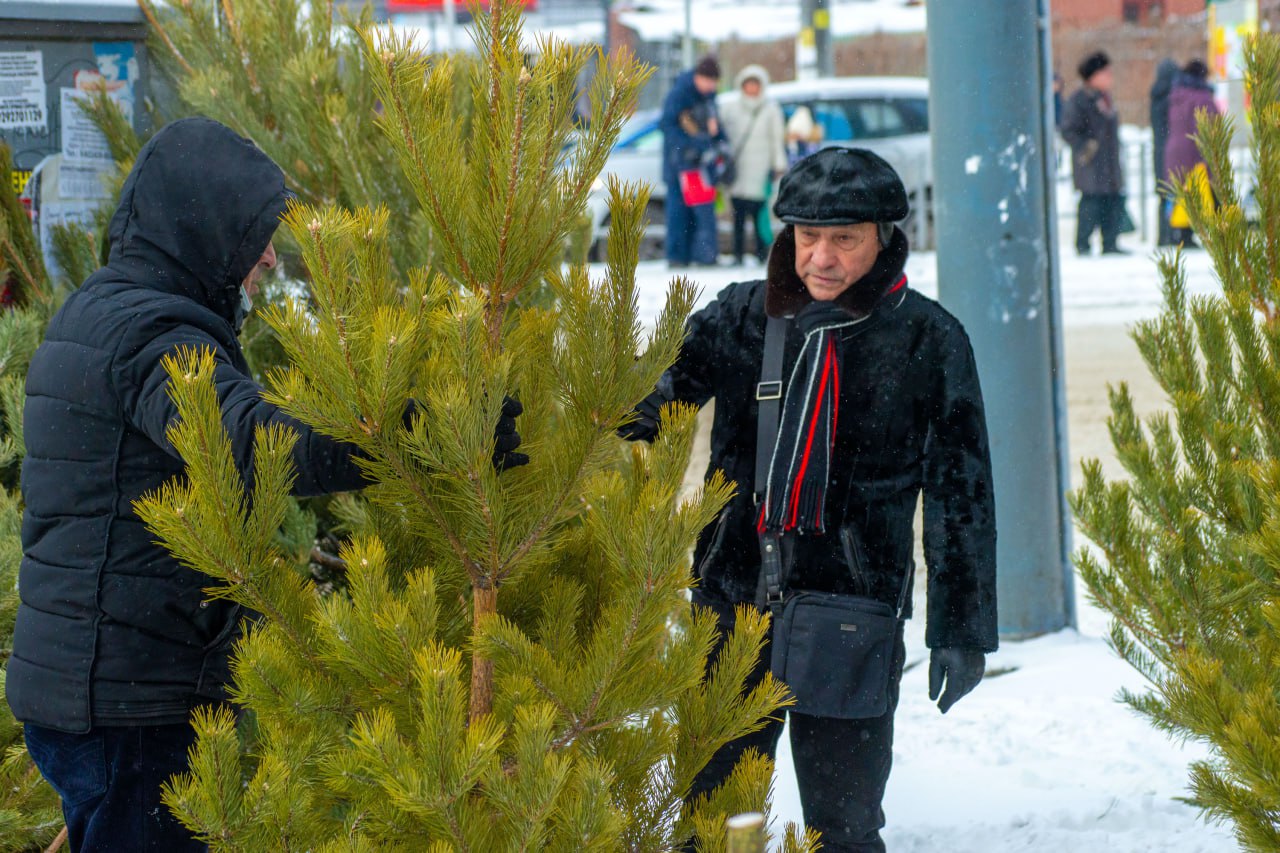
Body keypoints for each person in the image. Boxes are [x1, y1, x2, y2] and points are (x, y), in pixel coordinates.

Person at [7, 118, 525, 851]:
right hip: (126, 701)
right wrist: (432, 432)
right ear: (207, 232)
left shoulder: (101, 311)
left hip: (93, 688)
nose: (269, 260)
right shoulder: (156, 337)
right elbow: (257, 445)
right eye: (257, 241)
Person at [619, 147, 997, 851]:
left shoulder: (929, 339)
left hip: (851, 613)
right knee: (714, 823)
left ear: (883, 237)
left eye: (844, 239)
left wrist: (962, 629)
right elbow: (647, 401)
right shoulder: (740, 316)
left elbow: (961, 492)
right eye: (806, 237)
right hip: (731, 605)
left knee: (844, 828)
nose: (820, 257)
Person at [661, 54, 727, 268]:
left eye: (714, 83)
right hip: (679, 166)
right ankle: (678, 257)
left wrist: (720, 144)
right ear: (698, 77)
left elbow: (715, 127)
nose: (711, 86)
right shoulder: (679, 95)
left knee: (701, 213)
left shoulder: (709, 98)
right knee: (678, 213)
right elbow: (667, 127)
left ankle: (702, 255)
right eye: (708, 81)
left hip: (701, 166)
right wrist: (688, 147)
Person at [1061, 50, 1127, 256]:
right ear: (1094, 75)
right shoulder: (1079, 100)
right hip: (1091, 164)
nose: (1110, 77)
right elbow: (1068, 129)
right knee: (1091, 203)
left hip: (1109, 163)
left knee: (1113, 202)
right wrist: (1086, 147)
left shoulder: (1106, 99)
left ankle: (1110, 242)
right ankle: (1083, 244)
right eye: (1105, 73)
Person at [721, 64, 788, 266]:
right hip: (738, 170)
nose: (751, 88)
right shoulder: (730, 108)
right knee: (738, 217)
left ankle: (761, 253)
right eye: (748, 84)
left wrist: (778, 164)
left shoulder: (770, 109)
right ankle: (738, 254)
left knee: (760, 216)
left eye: (755, 84)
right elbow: (723, 139)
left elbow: (777, 139)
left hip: (760, 169)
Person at [1164, 58, 1218, 249]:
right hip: (1194, 152)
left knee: (1182, 194)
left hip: (1175, 150)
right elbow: (1208, 127)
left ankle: (1180, 234)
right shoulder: (1202, 97)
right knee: (1205, 194)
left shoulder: (1176, 95)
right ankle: (1219, 233)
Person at [1150, 58, 1180, 246]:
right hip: (1171, 153)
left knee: (1164, 196)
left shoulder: (1156, 96)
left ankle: (1164, 235)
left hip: (1159, 152)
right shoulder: (1171, 99)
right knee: (1173, 195)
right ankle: (1172, 234)